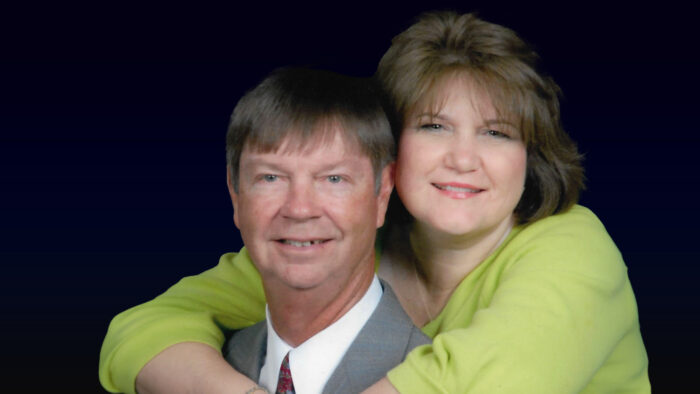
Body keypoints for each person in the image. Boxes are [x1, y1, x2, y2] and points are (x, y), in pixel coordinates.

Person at [99, 11, 650, 394]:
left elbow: (472, 383)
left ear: (530, 156)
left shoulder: (574, 247)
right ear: (388, 151)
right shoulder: (354, 238)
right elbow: (141, 331)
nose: (463, 159)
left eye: (497, 133)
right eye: (434, 126)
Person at [220, 67, 430, 393]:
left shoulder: (435, 378)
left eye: (334, 179)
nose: (300, 209)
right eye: (270, 178)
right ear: (235, 195)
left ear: (383, 194)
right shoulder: (220, 362)